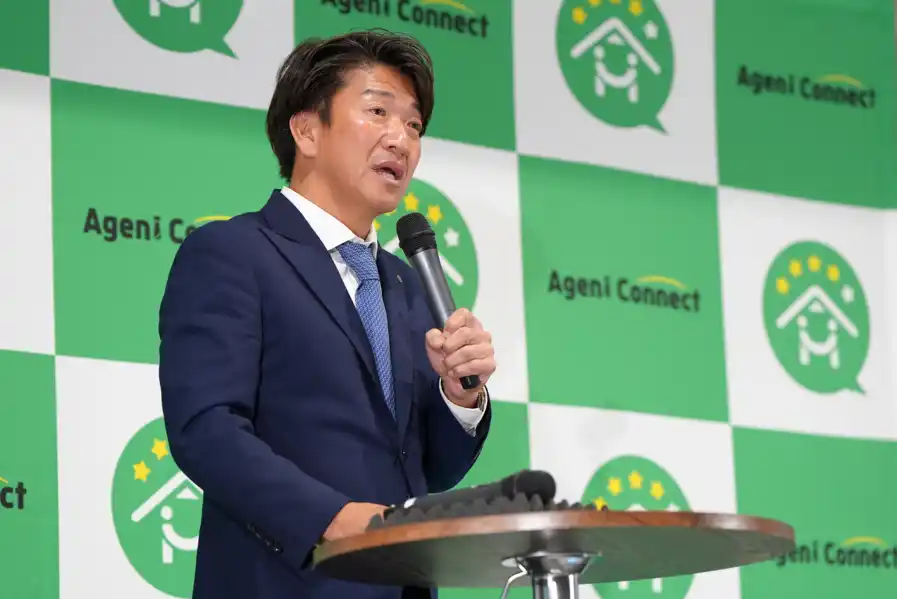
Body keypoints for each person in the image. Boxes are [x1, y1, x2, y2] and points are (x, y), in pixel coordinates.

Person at [157, 29, 495, 599]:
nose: (401, 139)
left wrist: (460, 397)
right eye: (378, 112)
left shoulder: (405, 283)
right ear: (307, 130)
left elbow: (425, 466)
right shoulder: (234, 252)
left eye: (414, 125)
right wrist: (331, 520)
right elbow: (206, 429)